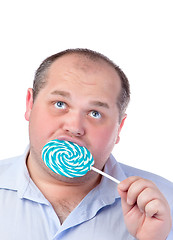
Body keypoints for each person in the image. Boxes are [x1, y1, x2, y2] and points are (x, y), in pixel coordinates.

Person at [0, 48, 172, 240]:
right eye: (60, 104)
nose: (74, 127)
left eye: (95, 113)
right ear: (29, 105)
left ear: (119, 128)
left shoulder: (165, 205)